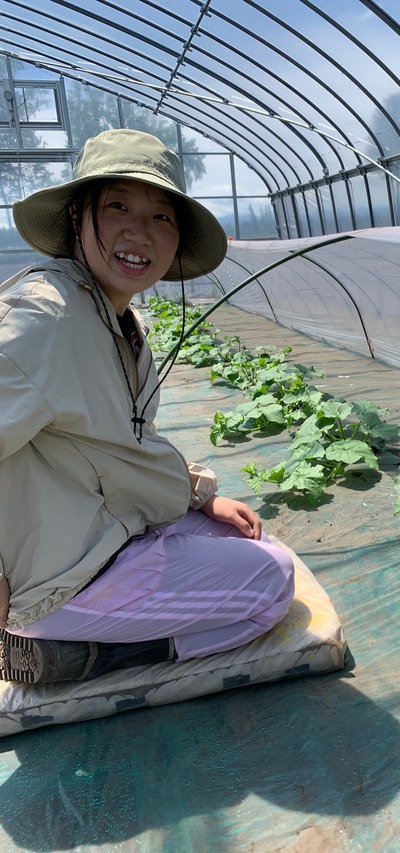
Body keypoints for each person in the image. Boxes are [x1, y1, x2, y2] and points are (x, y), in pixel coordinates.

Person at [0, 128, 295, 684]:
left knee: (246, 538)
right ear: (76, 218)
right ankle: (83, 653)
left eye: (162, 216)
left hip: (102, 532)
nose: (140, 231)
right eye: (117, 206)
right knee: (273, 582)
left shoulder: (117, 318)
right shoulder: (45, 317)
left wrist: (198, 493)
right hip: (64, 576)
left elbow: (123, 445)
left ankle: (89, 628)